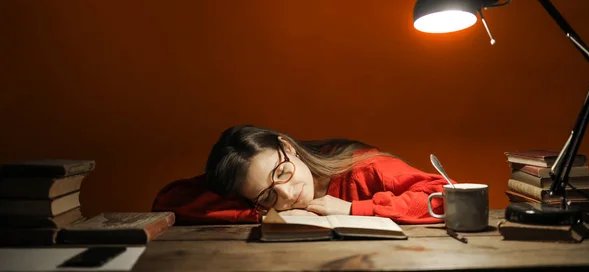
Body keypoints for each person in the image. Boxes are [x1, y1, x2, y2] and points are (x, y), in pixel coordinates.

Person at [152, 125, 451, 224]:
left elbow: (447, 198)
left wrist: (354, 209)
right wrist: (259, 212)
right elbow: (170, 200)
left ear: (287, 147)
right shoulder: (257, 195)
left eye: (281, 172)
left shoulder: (362, 167)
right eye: (268, 195)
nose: (286, 195)